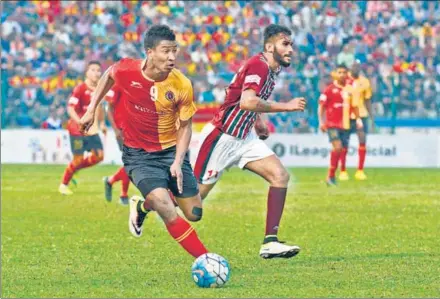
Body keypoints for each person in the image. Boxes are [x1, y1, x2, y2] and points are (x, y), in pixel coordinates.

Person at [79, 25, 208, 258]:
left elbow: (186, 126)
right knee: (167, 208)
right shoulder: (127, 69)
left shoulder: (182, 84)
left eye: (174, 51)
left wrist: (178, 161)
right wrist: (91, 109)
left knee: (194, 213)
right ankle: (206, 259)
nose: (171, 57)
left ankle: (142, 206)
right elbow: (109, 74)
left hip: (170, 151)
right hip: (138, 154)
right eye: (165, 51)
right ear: (150, 52)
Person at [193, 24, 306, 259]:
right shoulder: (259, 65)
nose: (291, 49)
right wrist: (286, 106)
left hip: (245, 137)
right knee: (192, 206)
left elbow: (239, 92)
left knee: (280, 176)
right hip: (222, 138)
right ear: (269, 46)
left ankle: (270, 242)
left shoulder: (269, 69)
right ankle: (145, 205)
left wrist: (258, 120)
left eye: (291, 45)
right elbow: (246, 101)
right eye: (285, 44)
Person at [58, 61, 106, 195]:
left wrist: (102, 124)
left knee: (99, 156)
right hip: (77, 129)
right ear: (87, 72)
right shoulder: (80, 88)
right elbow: (70, 108)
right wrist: (79, 122)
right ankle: (63, 185)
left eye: (98, 70)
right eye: (93, 70)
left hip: (91, 129)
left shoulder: (100, 89)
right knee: (78, 159)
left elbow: (100, 108)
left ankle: (74, 169)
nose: (96, 73)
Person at [318, 64, 362, 186]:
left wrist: (358, 119)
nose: (342, 74)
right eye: (340, 72)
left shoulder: (350, 90)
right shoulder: (329, 89)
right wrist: (321, 122)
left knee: (341, 150)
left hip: (346, 124)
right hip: (332, 124)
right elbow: (321, 107)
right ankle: (330, 176)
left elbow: (355, 106)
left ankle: (331, 176)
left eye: (344, 72)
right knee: (337, 147)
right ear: (336, 74)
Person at [339, 62, 373, 181]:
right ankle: (343, 171)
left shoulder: (365, 82)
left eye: (358, 67)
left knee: (362, 140)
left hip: (361, 114)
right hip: (347, 114)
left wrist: (372, 117)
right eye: (354, 67)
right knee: (344, 143)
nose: (356, 69)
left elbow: (367, 100)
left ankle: (360, 170)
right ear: (350, 68)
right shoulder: (343, 79)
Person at [103, 86, 131, 205]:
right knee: (131, 162)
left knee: (133, 162)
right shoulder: (118, 82)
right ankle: (123, 194)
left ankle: (110, 181)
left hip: (136, 129)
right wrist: (115, 130)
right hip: (122, 130)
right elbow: (108, 108)